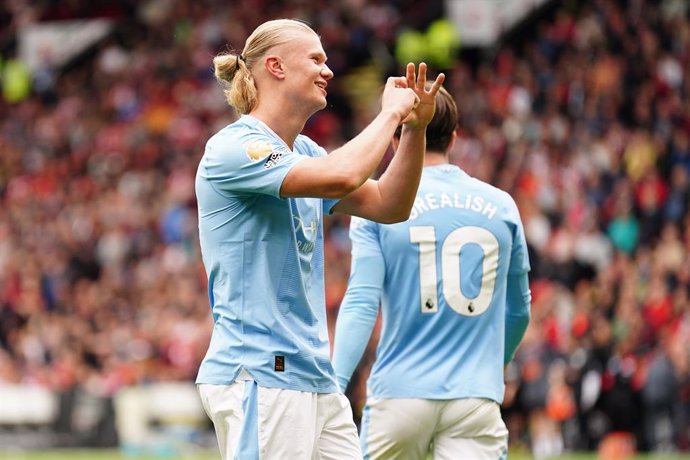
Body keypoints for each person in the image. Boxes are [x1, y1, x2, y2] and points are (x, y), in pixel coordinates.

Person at [194, 18, 445, 459]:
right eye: (316, 59)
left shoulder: (306, 152)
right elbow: (344, 175)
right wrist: (389, 113)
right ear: (275, 66)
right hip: (260, 372)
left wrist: (415, 129)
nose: (328, 70)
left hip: (313, 376)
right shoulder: (234, 147)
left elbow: (390, 203)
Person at [331, 85, 532, 460]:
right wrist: (493, 367)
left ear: (395, 138)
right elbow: (520, 311)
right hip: (474, 397)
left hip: (399, 395)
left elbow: (362, 301)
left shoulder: (377, 202)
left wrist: (335, 384)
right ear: (455, 135)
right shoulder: (502, 206)